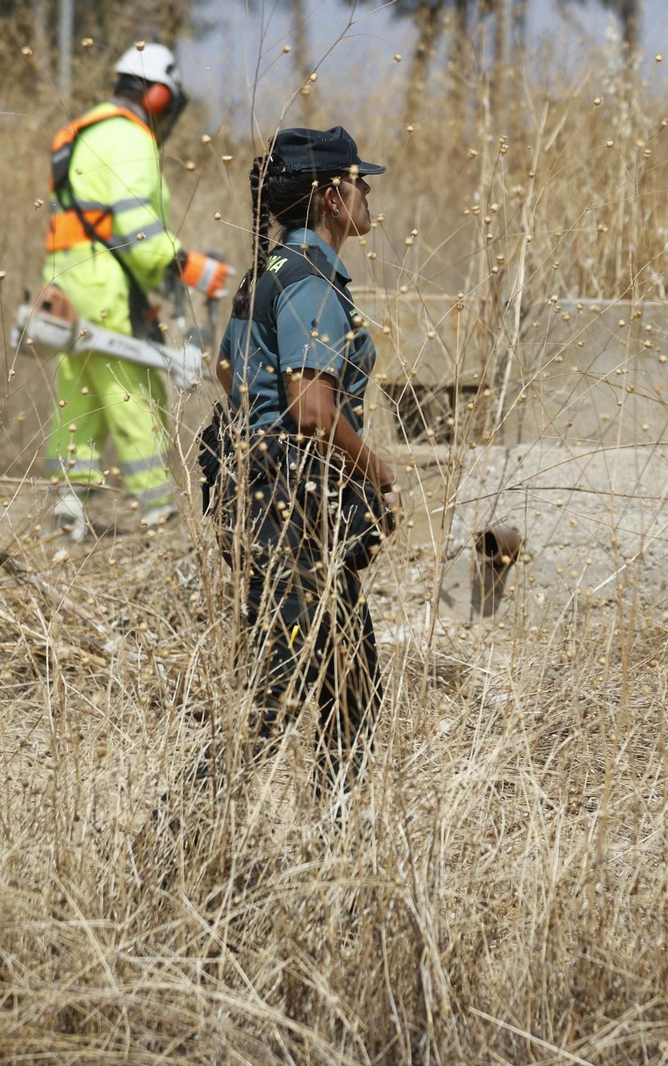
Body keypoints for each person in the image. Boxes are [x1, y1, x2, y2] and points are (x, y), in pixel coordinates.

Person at [204, 127, 396, 800]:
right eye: (357, 181)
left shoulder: (267, 274)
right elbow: (312, 408)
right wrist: (377, 470)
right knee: (272, 701)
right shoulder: (312, 281)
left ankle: (336, 852)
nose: (367, 191)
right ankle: (180, 837)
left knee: (353, 689)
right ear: (327, 198)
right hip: (296, 517)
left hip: (273, 507)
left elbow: (227, 371)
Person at [42, 42, 233, 541]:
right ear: (155, 95)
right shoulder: (128, 139)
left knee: (78, 397)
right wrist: (187, 266)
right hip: (107, 282)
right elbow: (135, 230)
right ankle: (160, 518)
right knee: (134, 392)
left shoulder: (87, 131)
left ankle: (67, 517)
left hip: (72, 278)